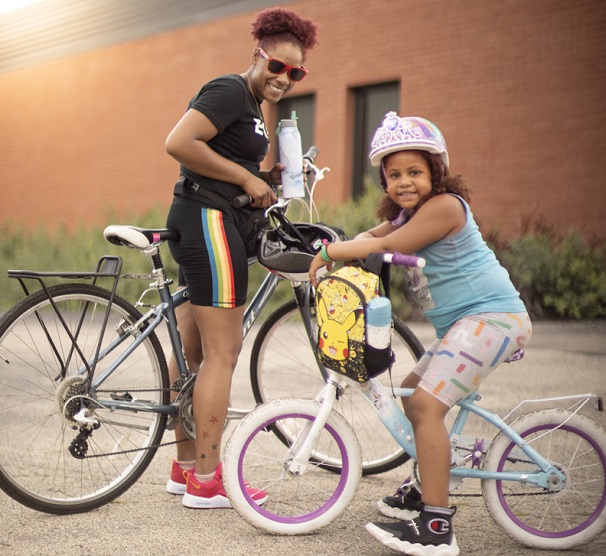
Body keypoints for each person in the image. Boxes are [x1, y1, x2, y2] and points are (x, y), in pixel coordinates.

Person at [309, 112, 532, 555]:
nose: (404, 181)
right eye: (394, 174)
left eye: (415, 171)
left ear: (437, 171)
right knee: (413, 395)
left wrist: (329, 252)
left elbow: (386, 246)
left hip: (493, 319)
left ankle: (436, 527)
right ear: (384, 181)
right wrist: (332, 246)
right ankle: (424, 485)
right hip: (466, 326)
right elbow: (376, 233)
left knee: (426, 405)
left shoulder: (445, 207)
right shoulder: (411, 213)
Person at [164, 7, 318, 509]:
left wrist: (269, 177)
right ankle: (209, 481)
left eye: (296, 73)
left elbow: (229, 167)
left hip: (202, 216)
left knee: (192, 351)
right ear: (258, 55)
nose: (284, 79)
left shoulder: (252, 106)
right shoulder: (231, 90)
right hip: (209, 223)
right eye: (277, 66)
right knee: (222, 353)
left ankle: (186, 467)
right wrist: (247, 178)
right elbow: (180, 143)